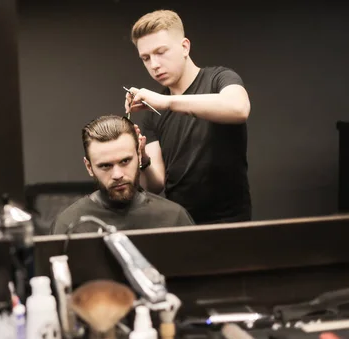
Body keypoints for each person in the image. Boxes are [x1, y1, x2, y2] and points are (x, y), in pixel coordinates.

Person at [124, 9, 252, 225]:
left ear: (185, 47)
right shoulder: (153, 114)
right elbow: (156, 184)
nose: (154, 65)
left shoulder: (219, 78)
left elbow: (239, 109)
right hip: (181, 222)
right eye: (146, 58)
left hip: (230, 221)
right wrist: (143, 160)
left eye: (161, 52)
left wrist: (167, 103)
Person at [51, 115, 194, 235]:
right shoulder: (68, 225)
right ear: (89, 167)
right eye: (105, 166)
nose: (117, 175)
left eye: (125, 161)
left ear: (139, 155)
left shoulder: (174, 218)